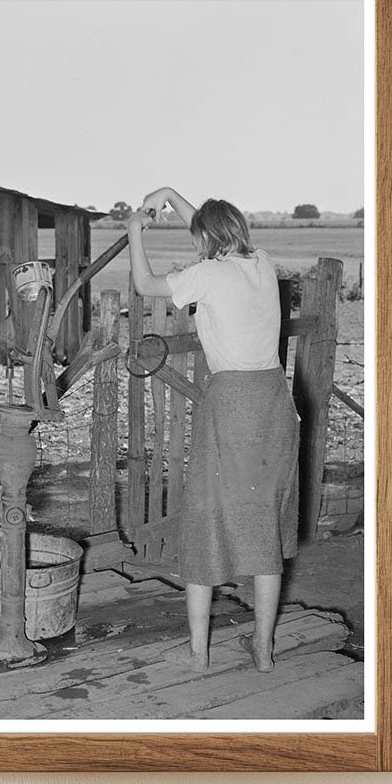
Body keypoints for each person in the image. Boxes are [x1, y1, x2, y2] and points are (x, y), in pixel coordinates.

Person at [126, 187, 300, 673]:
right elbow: (207, 228)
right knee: (263, 527)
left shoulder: (207, 275)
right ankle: (263, 651)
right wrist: (168, 194)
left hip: (232, 406)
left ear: (206, 239)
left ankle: (198, 653)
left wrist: (135, 229)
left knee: (203, 523)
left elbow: (144, 283)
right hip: (274, 403)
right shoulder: (261, 263)